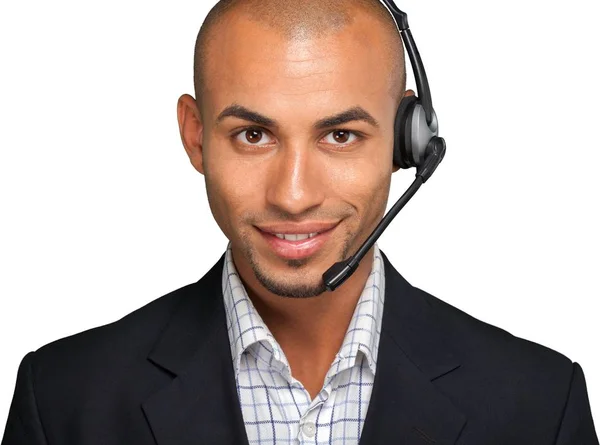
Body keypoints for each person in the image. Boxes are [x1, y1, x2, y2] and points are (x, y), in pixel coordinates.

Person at [2, 0, 598, 443]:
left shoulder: (542, 406)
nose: (293, 195)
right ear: (195, 137)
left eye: (340, 136)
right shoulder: (61, 402)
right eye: (253, 135)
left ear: (405, 141)